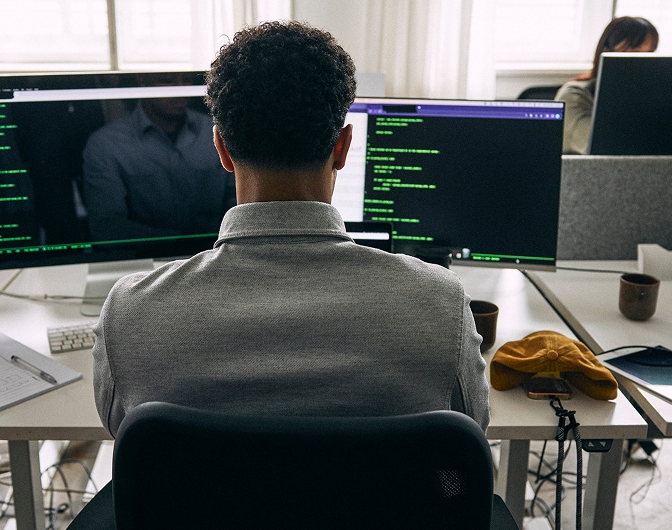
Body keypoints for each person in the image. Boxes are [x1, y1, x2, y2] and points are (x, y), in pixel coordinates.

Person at [92, 21, 490, 438]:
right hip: (372, 506)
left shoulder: (129, 314)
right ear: (343, 147)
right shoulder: (441, 304)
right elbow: (469, 434)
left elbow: (126, 436)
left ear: (222, 149)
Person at [82, 74, 236, 241]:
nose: (180, 90)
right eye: (168, 80)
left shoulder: (217, 131)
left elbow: (239, 204)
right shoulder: (107, 144)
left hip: (218, 252)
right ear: (142, 80)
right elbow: (107, 227)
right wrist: (180, 242)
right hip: (144, 258)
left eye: (186, 80)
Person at [555, 16, 658, 154]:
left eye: (650, 54)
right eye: (635, 52)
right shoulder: (573, 95)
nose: (643, 63)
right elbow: (598, 147)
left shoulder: (649, 95)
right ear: (607, 51)